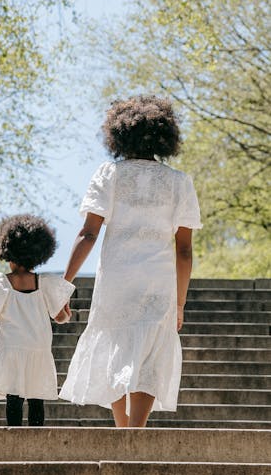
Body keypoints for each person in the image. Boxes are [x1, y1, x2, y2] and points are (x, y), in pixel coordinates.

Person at [59, 95, 202, 428]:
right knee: (150, 352)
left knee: (115, 346)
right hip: (158, 282)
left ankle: (122, 429)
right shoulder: (179, 182)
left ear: (118, 135)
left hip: (117, 280)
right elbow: (184, 250)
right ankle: (135, 432)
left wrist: (65, 283)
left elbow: (88, 234)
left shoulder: (109, 174)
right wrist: (180, 302)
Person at [0, 214, 75, 426]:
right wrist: (65, 310)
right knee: (36, 398)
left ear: (8, 252)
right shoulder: (45, 284)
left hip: (12, 348)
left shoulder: (2, 283)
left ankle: (14, 435)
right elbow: (61, 318)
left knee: (13, 397)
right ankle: (36, 438)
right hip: (39, 349)